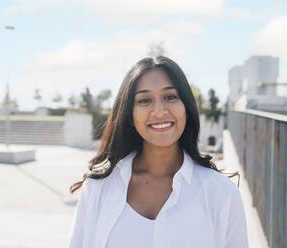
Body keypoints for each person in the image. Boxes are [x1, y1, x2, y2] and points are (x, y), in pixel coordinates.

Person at [68, 56, 248, 248]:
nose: (160, 111)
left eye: (170, 97)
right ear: (130, 115)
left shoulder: (221, 193)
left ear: (186, 107)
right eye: (144, 100)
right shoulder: (98, 188)